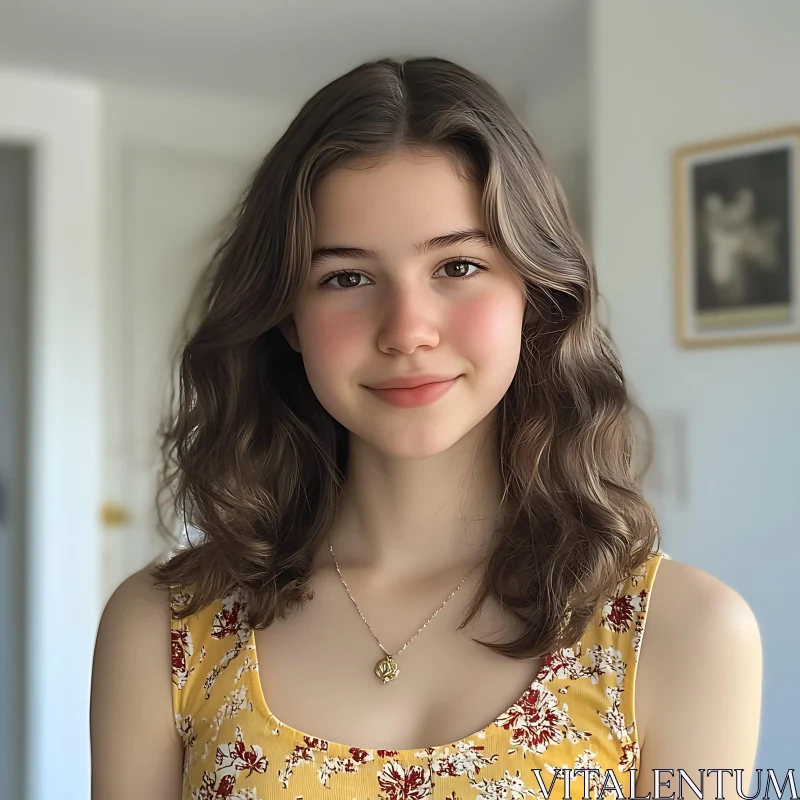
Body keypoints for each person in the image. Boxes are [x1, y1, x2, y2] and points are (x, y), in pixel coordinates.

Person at [90, 57, 762, 800]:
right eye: (346, 278)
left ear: (534, 294)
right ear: (287, 317)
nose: (407, 330)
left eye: (459, 266)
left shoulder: (687, 635)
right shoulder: (161, 630)